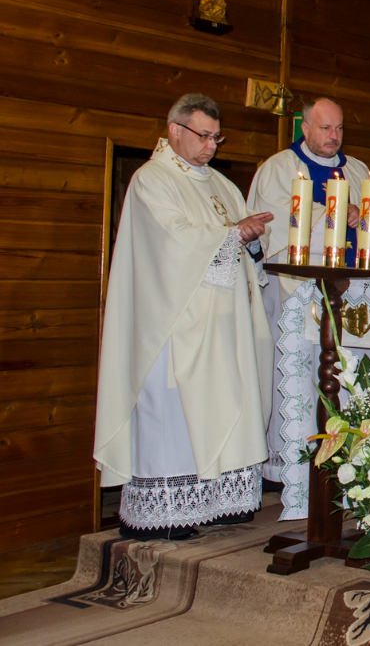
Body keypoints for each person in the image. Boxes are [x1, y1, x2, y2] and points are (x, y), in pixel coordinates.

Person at [95, 94, 275, 540]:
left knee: (224, 405)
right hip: (175, 328)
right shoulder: (151, 181)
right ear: (175, 130)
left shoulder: (222, 185)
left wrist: (250, 241)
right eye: (204, 135)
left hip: (223, 328)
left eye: (217, 137)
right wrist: (233, 233)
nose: (212, 145)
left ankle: (219, 501)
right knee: (174, 415)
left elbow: (245, 249)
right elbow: (172, 245)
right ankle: (168, 509)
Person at [247, 96, 370, 482]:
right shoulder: (279, 168)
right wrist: (334, 210)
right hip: (294, 289)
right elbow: (275, 222)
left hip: (350, 290)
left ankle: (346, 459)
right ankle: (291, 465)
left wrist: (363, 218)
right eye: (325, 128)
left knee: (346, 369)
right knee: (296, 372)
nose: (334, 136)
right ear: (305, 128)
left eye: (340, 128)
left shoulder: (358, 169)